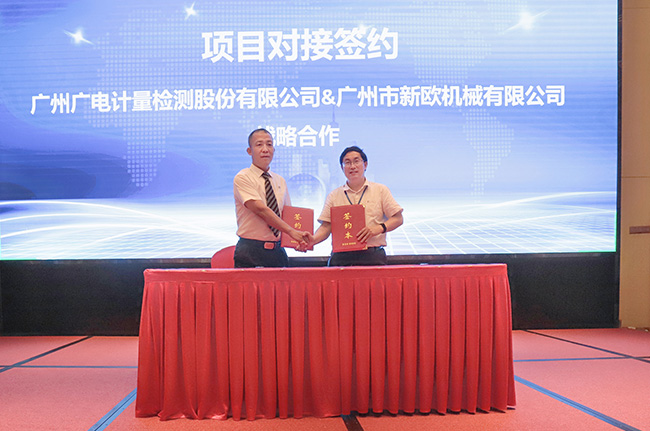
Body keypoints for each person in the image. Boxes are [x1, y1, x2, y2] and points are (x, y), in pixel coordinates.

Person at [308, 146, 403, 266]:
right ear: (342, 168)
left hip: (372, 256)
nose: (352, 166)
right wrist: (313, 240)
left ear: (365, 165)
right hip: (341, 256)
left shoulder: (380, 190)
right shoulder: (334, 195)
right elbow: (326, 227)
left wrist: (378, 229)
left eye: (356, 161)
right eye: (347, 163)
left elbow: (398, 219)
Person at [233, 128, 310, 267]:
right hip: (251, 250)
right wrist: (292, 232)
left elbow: (289, 216)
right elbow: (261, 210)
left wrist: (298, 241)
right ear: (249, 151)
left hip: (277, 251)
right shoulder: (243, 177)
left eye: (269, 144)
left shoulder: (280, 180)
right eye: (259, 145)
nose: (265, 149)